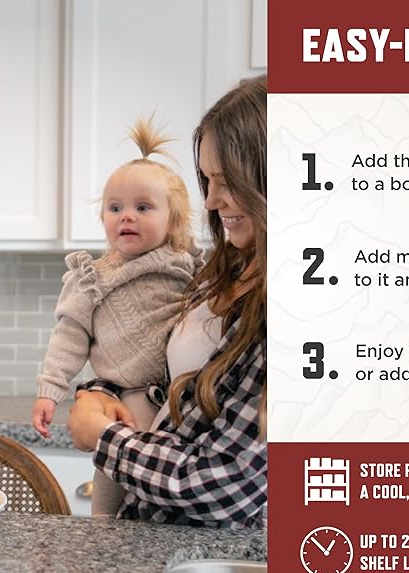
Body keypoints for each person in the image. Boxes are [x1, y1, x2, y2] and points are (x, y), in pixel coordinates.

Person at [68, 75, 267, 528]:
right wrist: (99, 394)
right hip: (156, 538)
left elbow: (224, 485)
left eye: (226, 180)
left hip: (218, 552)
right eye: (208, 180)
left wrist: (105, 439)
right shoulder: (221, 271)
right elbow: (155, 361)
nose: (213, 200)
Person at [33, 117, 200, 513]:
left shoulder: (187, 270)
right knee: (110, 493)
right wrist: (49, 390)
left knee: (160, 504)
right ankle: (104, 539)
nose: (126, 216)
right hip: (124, 400)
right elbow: (69, 336)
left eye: (143, 207)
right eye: (115, 208)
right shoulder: (93, 279)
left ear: (173, 221)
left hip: (176, 405)